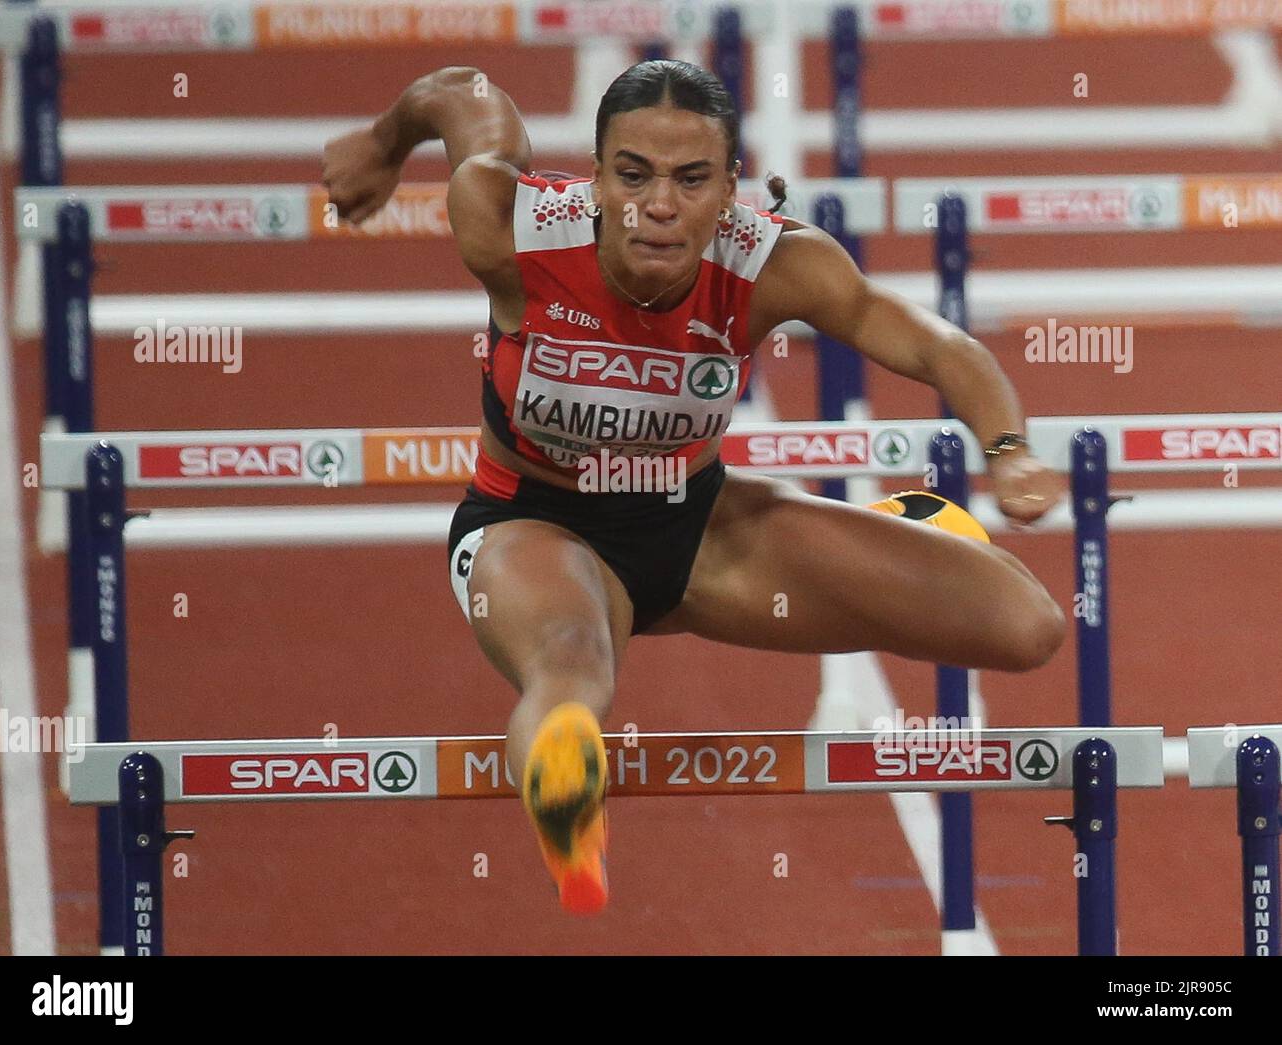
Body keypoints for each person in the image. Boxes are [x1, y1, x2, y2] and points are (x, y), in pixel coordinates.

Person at [323, 60, 1067, 916]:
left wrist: (1007, 448)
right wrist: (384, 145)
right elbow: (465, 93)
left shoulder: (775, 262)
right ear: (596, 178)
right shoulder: (508, 221)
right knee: (571, 668)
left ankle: (908, 527)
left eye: (690, 179)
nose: (660, 207)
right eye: (632, 175)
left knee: (1026, 626)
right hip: (533, 524)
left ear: (730, 189)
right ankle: (566, 803)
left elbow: (934, 344)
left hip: (701, 528)